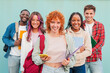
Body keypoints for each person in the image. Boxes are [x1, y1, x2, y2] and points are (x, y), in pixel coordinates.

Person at [83, 5, 105, 73]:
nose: (89, 15)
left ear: (94, 14)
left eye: (91, 13)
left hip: (95, 58)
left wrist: (90, 51)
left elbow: (101, 42)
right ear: (84, 13)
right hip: (83, 59)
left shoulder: (100, 25)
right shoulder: (80, 25)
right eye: (87, 13)